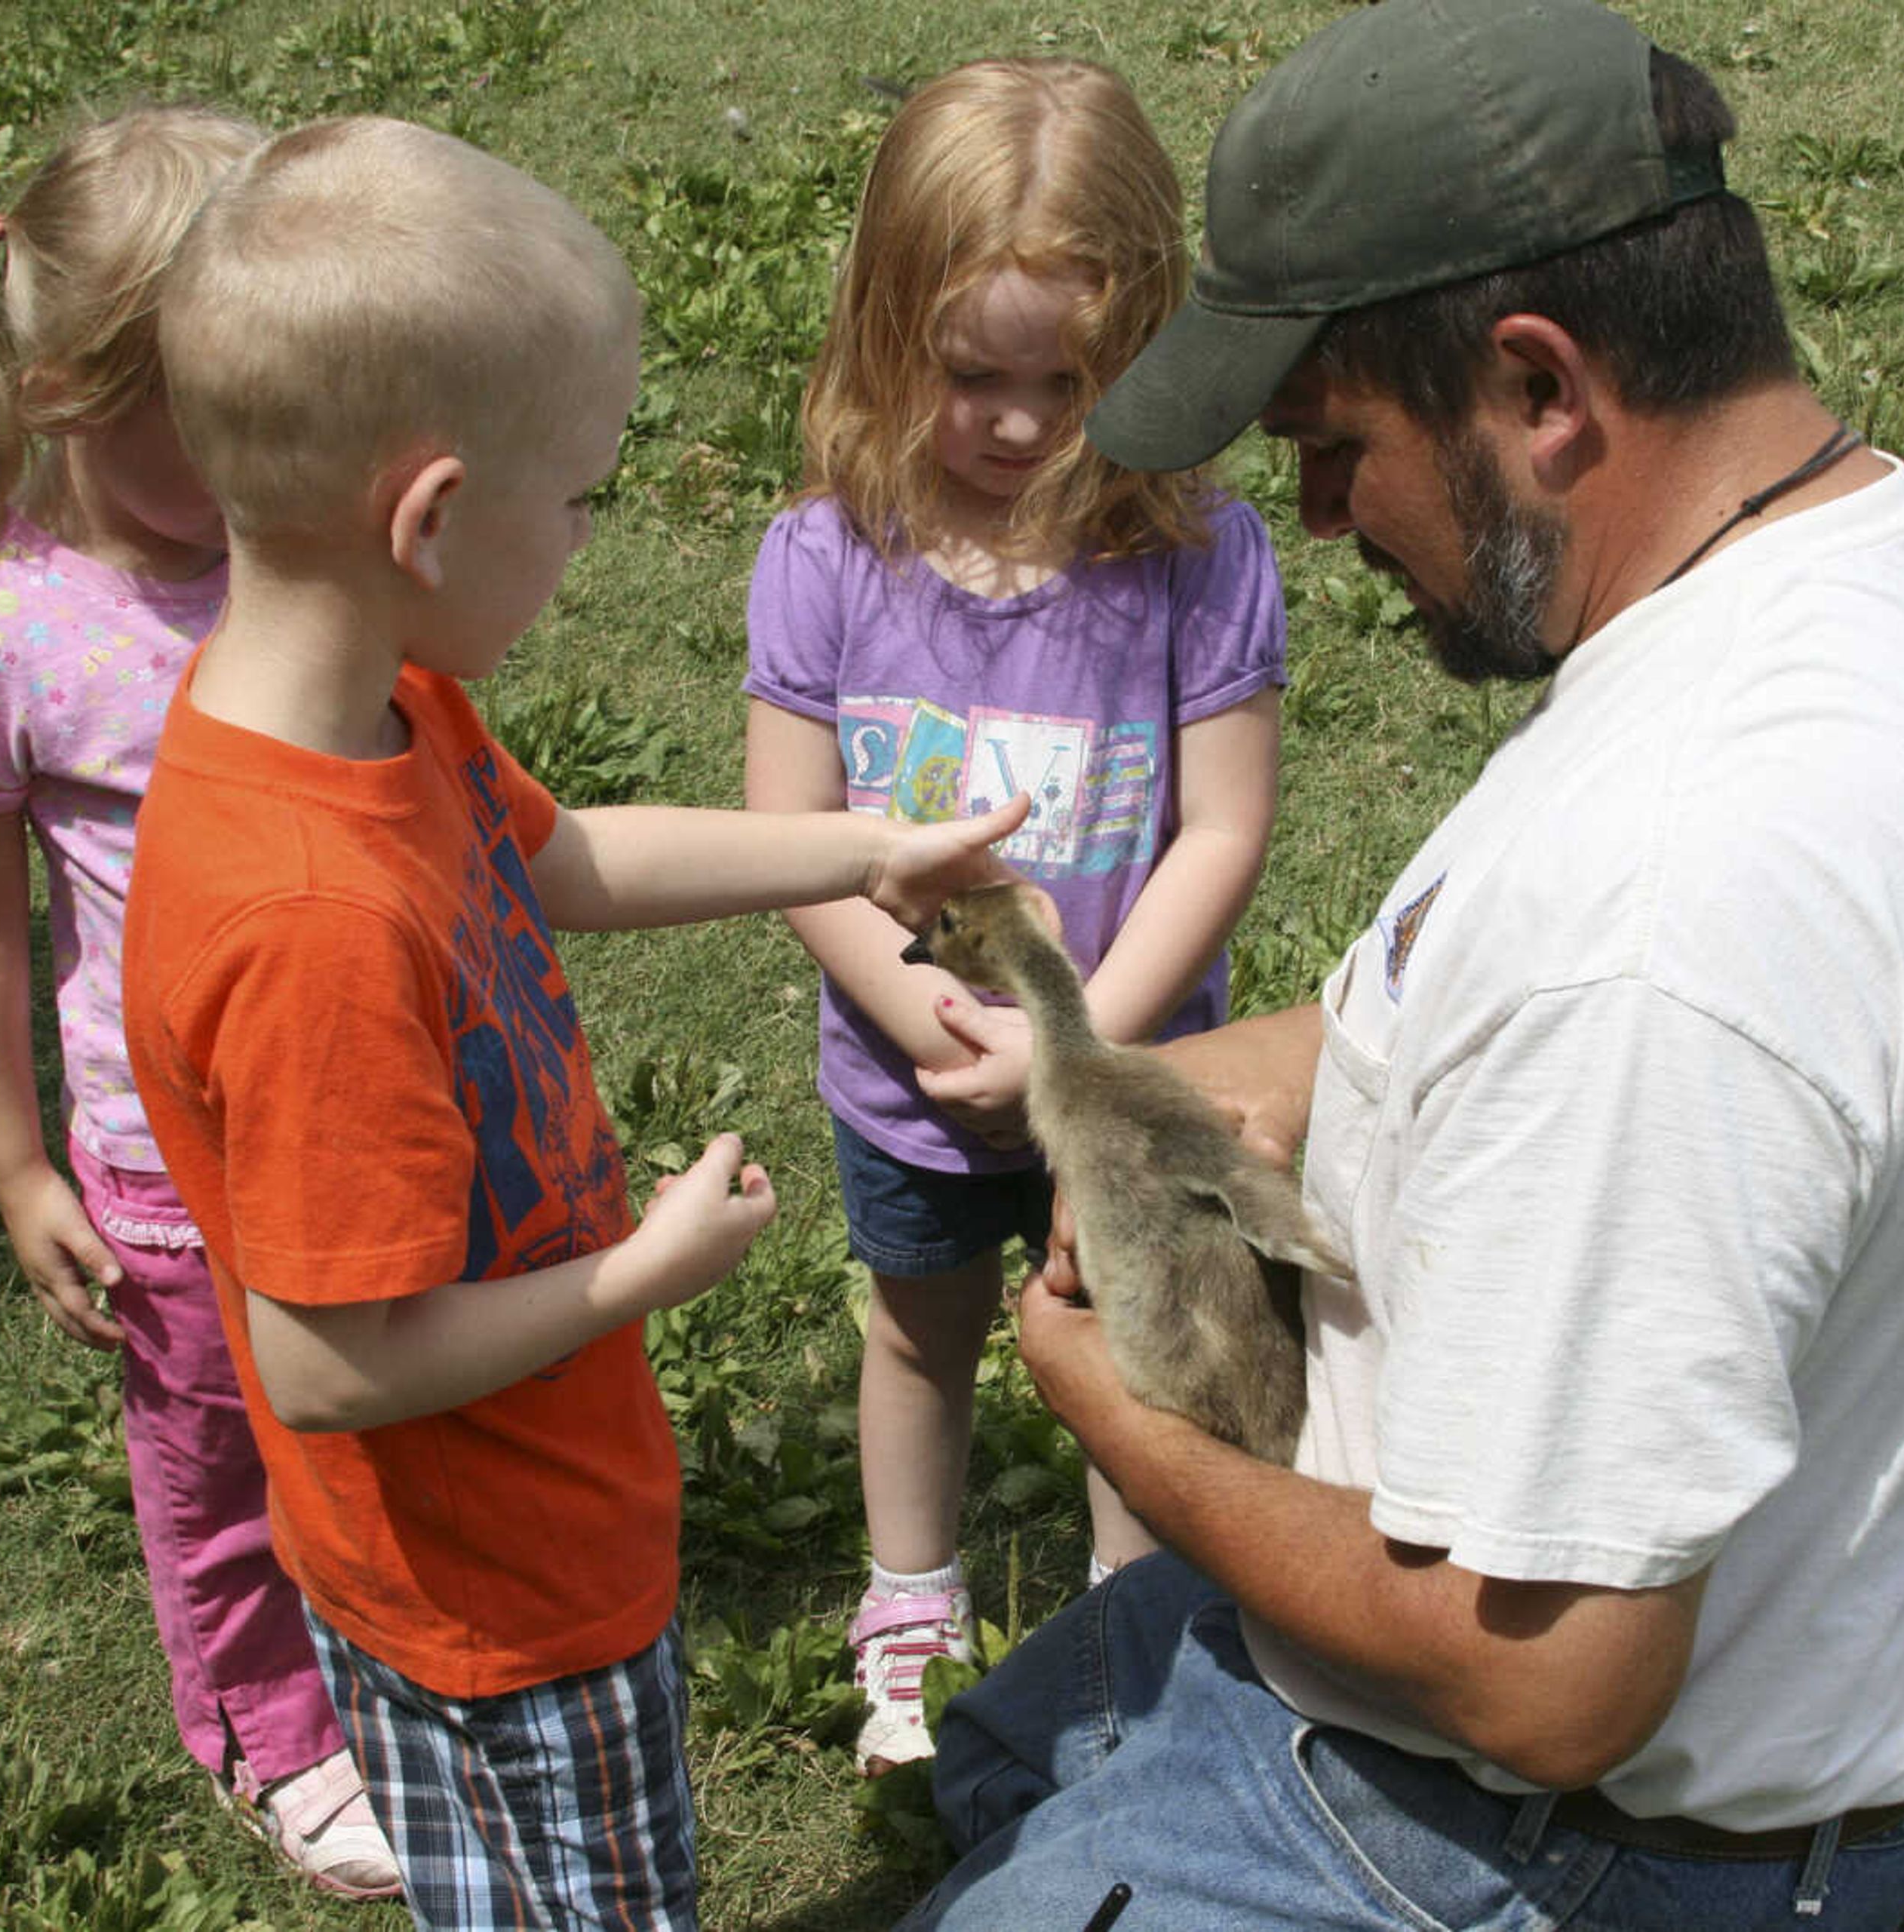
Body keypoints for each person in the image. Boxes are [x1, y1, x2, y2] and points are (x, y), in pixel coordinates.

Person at [908, 2, 1904, 1928]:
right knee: (1005, 1759)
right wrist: (1162, 1106)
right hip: (1550, 1682)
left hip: (1522, 1830)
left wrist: (1102, 1400)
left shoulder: (1662, 911)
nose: (1313, 520)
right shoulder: (1876, 574)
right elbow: (1457, 1035)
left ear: (1537, 386)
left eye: (1336, 446)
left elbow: (1550, 1685)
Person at [121, 116, 1032, 1930]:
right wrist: (647, 1270)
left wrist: (872, 841)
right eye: (581, 494)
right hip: (498, 1585)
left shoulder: (375, 708)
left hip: (468, 1552)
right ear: (437, 515)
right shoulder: (310, 917)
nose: (589, 537)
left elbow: (572, 858)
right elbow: (324, 1363)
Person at [740, 56, 1288, 1776]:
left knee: (1137, 1339)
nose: (1016, 424)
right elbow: (788, 827)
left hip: (1118, 1076)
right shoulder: (831, 552)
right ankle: (911, 1591)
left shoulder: (1198, 552)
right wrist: (930, 1025)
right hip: (907, 1072)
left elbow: (1224, 826)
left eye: (1069, 382)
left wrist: (1079, 1043)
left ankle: (1129, 1633)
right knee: (920, 1324)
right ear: (887, 335)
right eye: (969, 375)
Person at [0, 105, 401, 1902]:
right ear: (72, 400)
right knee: (218, 1461)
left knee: (376, 1395)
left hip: (360, 1103)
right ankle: (267, 1722)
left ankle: (394, 1646)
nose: (284, 432)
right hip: (170, 1161)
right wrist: (21, 1175)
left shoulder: (306, 539)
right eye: (227, 397)